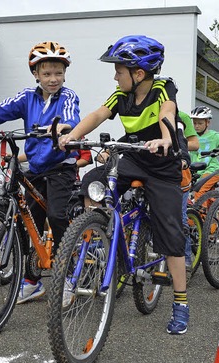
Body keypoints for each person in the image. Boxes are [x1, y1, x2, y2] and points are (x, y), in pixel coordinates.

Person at [58, 35, 190, 335]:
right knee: (93, 181)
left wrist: (166, 139)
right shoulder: (121, 97)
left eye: (119, 70)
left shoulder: (161, 88)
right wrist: (73, 136)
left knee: (170, 234)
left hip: (162, 164)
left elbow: (167, 113)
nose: (115, 76)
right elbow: (97, 115)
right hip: (134, 156)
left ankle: (181, 303)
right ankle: (99, 235)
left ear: (138, 73)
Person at [0, 41, 80, 304]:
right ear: (36, 74)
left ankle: (68, 276)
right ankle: (32, 280)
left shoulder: (68, 97)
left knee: (57, 216)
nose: (53, 79)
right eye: (47, 73)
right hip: (35, 169)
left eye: (58, 73)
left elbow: (72, 117)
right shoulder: (27, 97)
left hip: (61, 169)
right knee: (28, 224)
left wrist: (64, 128)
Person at [178, 111, 200, 280]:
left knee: (180, 218)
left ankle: (186, 261)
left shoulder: (182, 117)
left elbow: (195, 144)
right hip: (152, 173)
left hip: (179, 174)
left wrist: (176, 143)